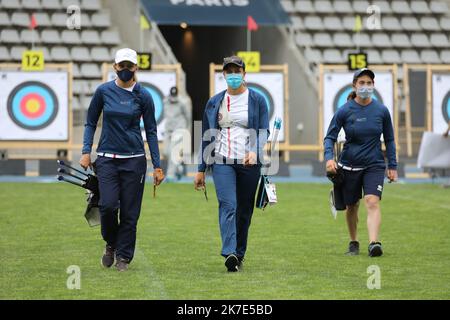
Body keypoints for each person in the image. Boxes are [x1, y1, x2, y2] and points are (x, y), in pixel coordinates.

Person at [79, 48, 165, 271]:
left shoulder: (143, 95)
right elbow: (90, 122)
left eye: (130, 66)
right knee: (107, 207)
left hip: (135, 161)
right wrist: (86, 151)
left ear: (136, 68)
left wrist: (157, 165)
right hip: (107, 159)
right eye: (122, 66)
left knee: (130, 213)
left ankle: (123, 258)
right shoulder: (103, 91)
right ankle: (111, 243)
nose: (126, 70)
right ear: (115, 67)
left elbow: (152, 131)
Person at [194, 55, 269, 272]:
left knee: (244, 210)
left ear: (244, 74)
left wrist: (255, 152)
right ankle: (229, 252)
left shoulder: (257, 100)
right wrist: (200, 169)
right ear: (224, 75)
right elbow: (207, 136)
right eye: (230, 72)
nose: (234, 75)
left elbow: (264, 131)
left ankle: (239, 253)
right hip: (222, 162)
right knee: (228, 205)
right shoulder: (214, 102)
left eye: (238, 71)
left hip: (249, 164)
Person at [324, 68, 398, 257]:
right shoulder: (344, 110)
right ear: (354, 85)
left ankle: (374, 243)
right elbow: (329, 137)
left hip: (374, 165)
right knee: (351, 206)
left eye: (369, 83)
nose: (366, 86)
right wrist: (329, 158)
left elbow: (389, 139)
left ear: (373, 86)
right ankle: (354, 242)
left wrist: (393, 166)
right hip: (349, 166)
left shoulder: (381, 111)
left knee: (372, 201)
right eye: (362, 83)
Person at [163, 86, 190, 181]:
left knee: (172, 153)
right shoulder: (165, 101)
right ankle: (179, 168)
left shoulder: (183, 102)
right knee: (165, 152)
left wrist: (186, 129)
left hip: (179, 129)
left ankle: (170, 175)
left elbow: (188, 116)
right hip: (168, 130)